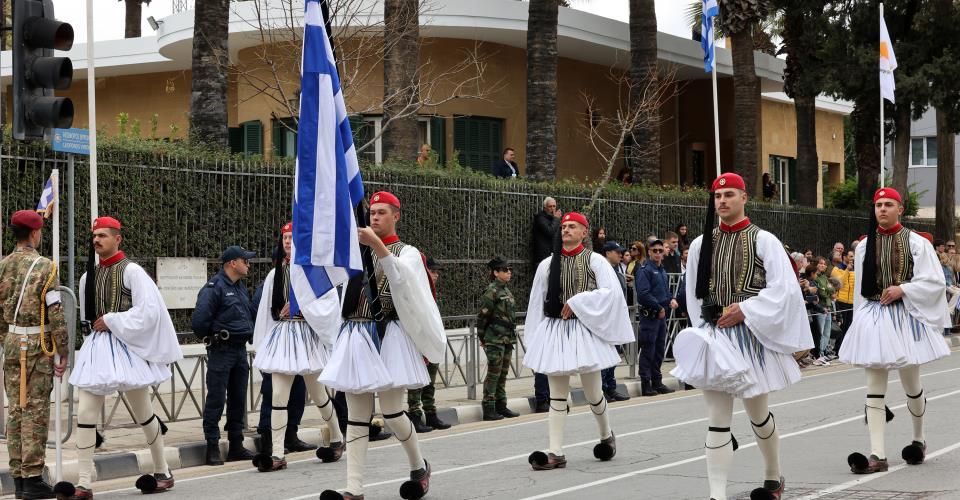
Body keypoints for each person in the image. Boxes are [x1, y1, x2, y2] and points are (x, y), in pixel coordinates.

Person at [671, 173, 812, 500]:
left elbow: (784, 292)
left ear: (744, 198)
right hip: (715, 337)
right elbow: (694, 294)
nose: (722, 201)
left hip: (750, 338)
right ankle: (716, 495)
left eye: (729, 195)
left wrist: (747, 309)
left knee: (758, 414)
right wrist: (702, 333)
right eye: (718, 197)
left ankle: (772, 476)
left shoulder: (765, 240)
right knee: (717, 417)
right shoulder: (699, 244)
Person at [319, 191, 446, 500]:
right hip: (356, 334)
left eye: (381, 213)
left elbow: (405, 283)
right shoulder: (354, 253)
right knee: (357, 415)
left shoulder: (409, 252)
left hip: (389, 336)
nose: (374, 217)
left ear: (396, 216)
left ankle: (419, 466)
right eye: (372, 213)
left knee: (391, 413)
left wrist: (376, 245)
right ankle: (354, 489)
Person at [840, 188, 950, 475]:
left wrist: (904, 289)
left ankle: (919, 438)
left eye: (888, 204)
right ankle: (878, 454)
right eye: (878, 205)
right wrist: (859, 322)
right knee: (874, 389)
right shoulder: (864, 245)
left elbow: (934, 281)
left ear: (900, 209)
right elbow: (861, 291)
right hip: (875, 318)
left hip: (905, 317)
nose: (883, 209)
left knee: (911, 384)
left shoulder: (916, 242)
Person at [70, 216, 183, 497]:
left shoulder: (133, 271)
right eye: (94, 236)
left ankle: (162, 469)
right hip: (98, 349)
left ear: (118, 239)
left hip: (127, 350)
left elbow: (149, 312)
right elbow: (87, 320)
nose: (97, 240)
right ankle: (84, 482)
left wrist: (111, 320)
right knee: (84, 414)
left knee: (143, 413)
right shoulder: (88, 276)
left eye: (103, 236)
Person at [523, 212, 633, 471]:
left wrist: (578, 302)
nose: (566, 230)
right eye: (563, 226)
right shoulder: (547, 264)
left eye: (572, 226)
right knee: (557, 395)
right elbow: (537, 302)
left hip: (584, 332)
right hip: (556, 331)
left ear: (584, 232)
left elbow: (611, 295)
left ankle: (606, 435)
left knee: (594, 393)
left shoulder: (596, 261)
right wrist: (535, 337)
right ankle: (555, 452)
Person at [250, 222, 344, 472]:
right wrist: (263, 344)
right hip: (283, 336)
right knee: (279, 397)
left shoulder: (313, 270)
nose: (288, 242)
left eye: (292, 237)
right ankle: (278, 453)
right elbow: (266, 312)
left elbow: (329, 303)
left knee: (320, 395)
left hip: (306, 337)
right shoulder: (275, 273)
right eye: (285, 238)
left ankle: (336, 438)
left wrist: (301, 308)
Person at [0, 211, 69, 499]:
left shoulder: (3, 265)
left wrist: (8, 339)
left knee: (15, 410)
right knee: (36, 412)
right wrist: (63, 350)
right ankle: (32, 477)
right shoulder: (45, 267)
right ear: (35, 234)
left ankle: (18, 477)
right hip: (38, 346)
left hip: (13, 344)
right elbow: (55, 313)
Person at [192, 245, 258, 466]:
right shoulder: (214, 288)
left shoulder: (240, 288)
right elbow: (199, 322)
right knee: (216, 399)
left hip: (239, 351)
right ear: (233, 263)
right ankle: (212, 444)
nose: (248, 265)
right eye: (245, 260)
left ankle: (236, 445)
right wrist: (214, 338)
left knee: (239, 399)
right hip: (221, 350)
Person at [252, 269, 314, 456]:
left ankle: (291, 433)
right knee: (273, 393)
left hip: (298, 344)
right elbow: (260, 309)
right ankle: (268, 438)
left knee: (297, 391)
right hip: (278, 344)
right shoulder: (274, 277)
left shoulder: (305, 274)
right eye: (285, 238)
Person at [407, 257, 452, 432]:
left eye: (436, 272)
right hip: (418, 342)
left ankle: (431, 414)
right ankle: (415, 415)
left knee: (430, 382)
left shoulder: (430, 292)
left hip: (431, 341)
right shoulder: (414, 291)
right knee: (417, 381)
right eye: (432, 272)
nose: (436, 275)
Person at [477, 256, 521, 421]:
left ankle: (501, 406)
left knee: (503, 374)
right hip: (494, 339)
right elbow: (482, 318)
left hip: (507, 339)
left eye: (509, 269)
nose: (508, 272)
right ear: (495, 272)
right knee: (493, 374)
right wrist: (483, 338)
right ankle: (488, 408)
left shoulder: (506, 290)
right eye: (504, 270)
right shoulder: (492, 291)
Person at [635, 239, 678, 396]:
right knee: (648, 350)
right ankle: (646, 384)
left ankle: (657, 381)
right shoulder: (645, 270)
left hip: (661, 316)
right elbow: (643, 294)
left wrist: (671, 299)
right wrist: (658, 307)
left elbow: (665, 291)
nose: (658, 253)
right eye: (655, 251)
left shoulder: (662, 270)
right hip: (650, 316)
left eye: (661, 250)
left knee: (659, 349)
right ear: (649, 252)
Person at [530, 197, 561, 413]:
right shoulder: (541, 219)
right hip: (543, 324)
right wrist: (556, 220)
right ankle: (542, 398)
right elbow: (550, 232)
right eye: (550, 207)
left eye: (555, 207)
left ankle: (552, 397)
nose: (553, 210)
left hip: (555, 323)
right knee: (542, 363)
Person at [601, 241, 630, 402]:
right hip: (606, 321)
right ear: (607, 253)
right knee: (605, 357)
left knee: (613, 357)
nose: (620, 255)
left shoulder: (617, 271)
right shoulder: (600, 271)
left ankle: (611, 388)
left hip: (617, 320)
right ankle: (602, 389)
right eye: (617, 252)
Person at [831, 250, 856, 355]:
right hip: (841, 301)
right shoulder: (836, 269)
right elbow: (839, 283)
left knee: (848, 326)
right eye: (850, 256)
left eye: (853, 256)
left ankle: (845, 349)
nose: (852, 258)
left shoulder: (855, 270)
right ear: (844, 257)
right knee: (841, 326)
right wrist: (847, 270)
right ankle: (837, 349)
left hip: (851, 301)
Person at [813, 256, 835, 364]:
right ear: (816, 264)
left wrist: (827, 290)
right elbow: (822, 293)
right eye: (820, 263)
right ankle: (819, 353)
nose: (823, 265)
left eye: (824, 264)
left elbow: (832, 290)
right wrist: (828, 291)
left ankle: (824, 352)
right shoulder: (815, 277)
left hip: (828, 306)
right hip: (821, 307)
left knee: (827, 332)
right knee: (820, 332)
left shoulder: (825, 277)